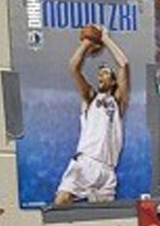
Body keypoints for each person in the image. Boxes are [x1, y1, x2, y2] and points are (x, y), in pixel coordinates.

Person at [52, 27, 130, 206]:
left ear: (113, 81)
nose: (100, 75)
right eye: (99, 73)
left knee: (103, 219)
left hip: (108, 170)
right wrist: (86, 43)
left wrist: (105, 38)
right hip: (86, 161)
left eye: (105, 73)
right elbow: (74, 67)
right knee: (62, 201)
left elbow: (123, 64)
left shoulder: (118, 102)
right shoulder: (90, 96)